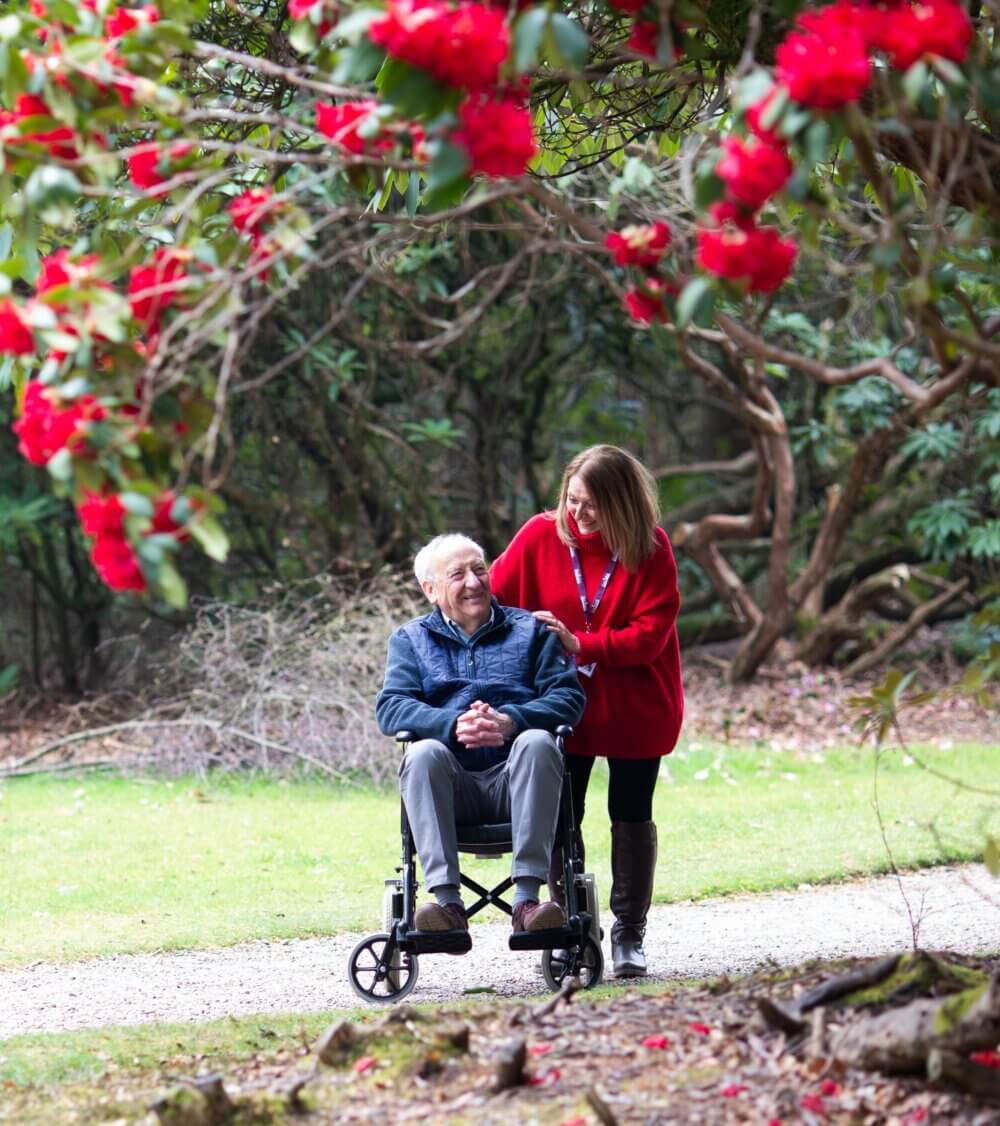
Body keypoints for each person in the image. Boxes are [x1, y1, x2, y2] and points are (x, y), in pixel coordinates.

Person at [490, 444, 683, 978]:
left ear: (621, 504)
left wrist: (582, 644)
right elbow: (494, 601)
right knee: (559, 815)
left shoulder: (651, 548)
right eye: (573, 501)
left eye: (592, 506)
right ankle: (565, 924)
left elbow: (649, 636)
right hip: (558, 702)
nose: (578, 515)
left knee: (630, 809)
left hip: (634, 701)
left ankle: (628, 932)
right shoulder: (538, 536)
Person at [376, 533, 586, 941]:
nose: (473, 582)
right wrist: (451, 724)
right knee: (422, 754)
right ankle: (447, 904)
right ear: (430, 590)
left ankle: (527, 901)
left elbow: (569, 698)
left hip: (518, 778)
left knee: (538, 742)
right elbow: (391, 707)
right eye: (457, 574)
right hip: (452, 788)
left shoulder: (531, 631)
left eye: (479, 569)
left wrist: (512, 720)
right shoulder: (410, 640)